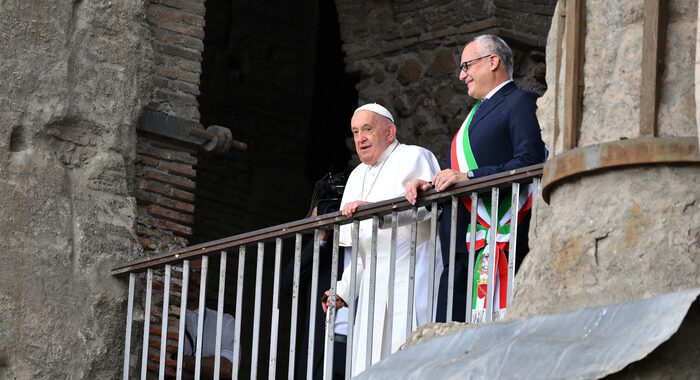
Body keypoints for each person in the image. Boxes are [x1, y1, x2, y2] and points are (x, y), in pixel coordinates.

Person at [406, 35, 546, 322]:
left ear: (493, 61)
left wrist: (469, 177)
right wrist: (432, 186)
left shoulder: (520, 102)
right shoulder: (475, 115)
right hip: (462, 244)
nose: (462, 75)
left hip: (500, 238)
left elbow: (528, 162)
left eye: (467, 65)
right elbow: (460, 176)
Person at [322, 103, 442, 375]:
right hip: (374, 290)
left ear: (389, 133)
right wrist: (345, 289)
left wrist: (378, 212)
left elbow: (428, 208)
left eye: (367, 129)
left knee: (409, 358)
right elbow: (365, 250)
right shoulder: (356, 176)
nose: (360, 138)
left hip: (411, 275)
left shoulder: (414, 156)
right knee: (369, 363)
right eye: (355, 132)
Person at [281, 173, 349, 380]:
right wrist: (321, 236)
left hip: (362, 342)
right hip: (322, 347)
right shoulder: (322, 251)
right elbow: (287, 283)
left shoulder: (371, 240)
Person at [179, 259, 235, 379]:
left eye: (199, 272)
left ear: (208, 278)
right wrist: (206, 368)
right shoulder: (162, 318)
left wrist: (176, 359)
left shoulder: (225, 322)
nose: (193, 277)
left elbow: (226, 369)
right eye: (188, 271)